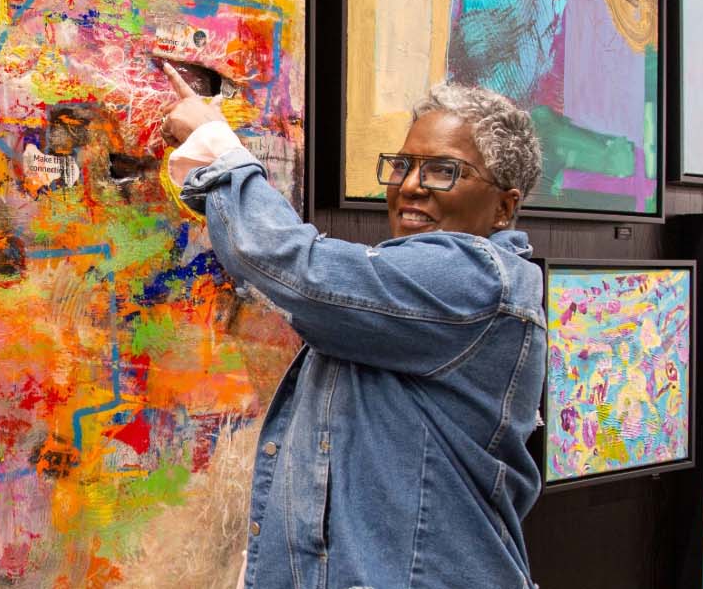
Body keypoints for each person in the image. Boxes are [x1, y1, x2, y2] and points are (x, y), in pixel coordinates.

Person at [159, 67, 546, 589]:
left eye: (442, 171)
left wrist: (217, 150)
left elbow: (303, 273)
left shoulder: (474, 282)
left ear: (505, 206)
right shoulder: (421, 284)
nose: (411, 186)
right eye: (404, 166)